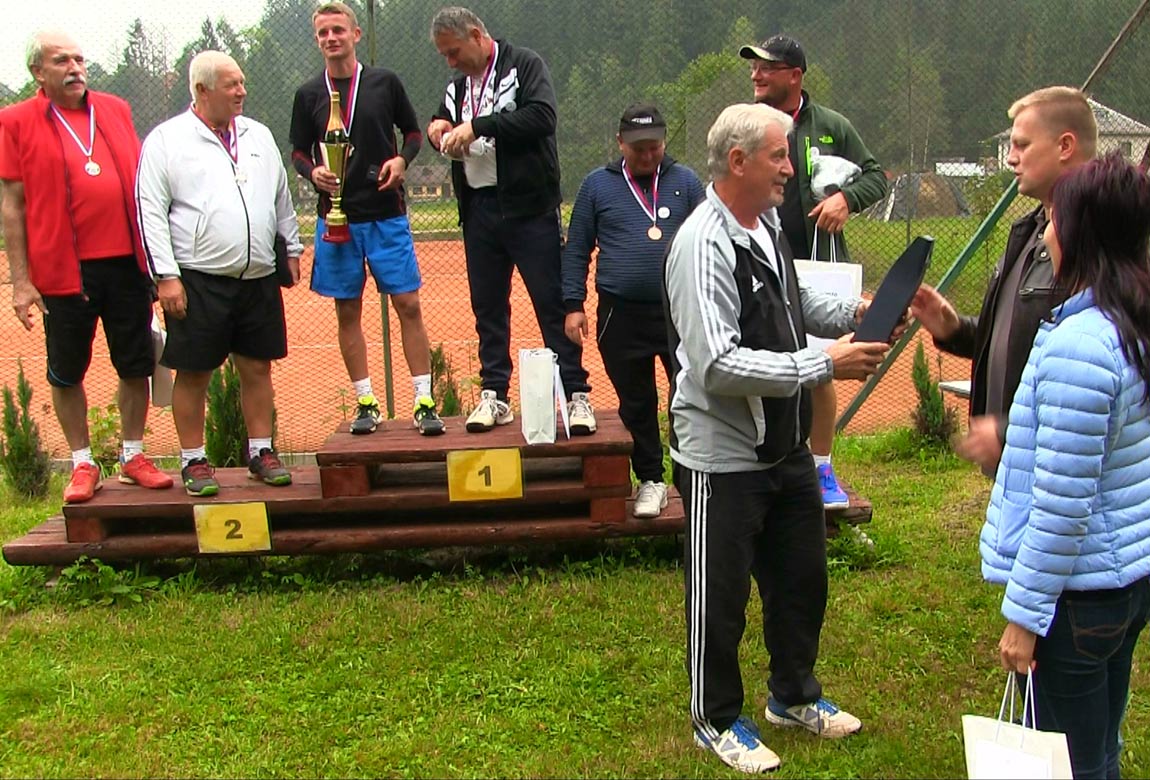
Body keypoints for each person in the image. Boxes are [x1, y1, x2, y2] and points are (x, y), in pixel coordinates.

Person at [664, 103, 890, 773]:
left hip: (786, 450)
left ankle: (792, 697)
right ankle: (715, 719)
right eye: (779, 156)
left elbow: (791, 302)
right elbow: (716, 364)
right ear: (738, 162)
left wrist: (857, 311)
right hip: (722, 460)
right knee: (720, 599)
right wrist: (826, 363)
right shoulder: (702, 244)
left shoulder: (761, 225)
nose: (793, 170)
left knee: (802, 581)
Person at [983, 152, 1150, 780]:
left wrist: (1026, 619)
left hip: (1078, 603)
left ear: (1080, 232)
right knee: (1099, 745)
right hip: (1125, 582)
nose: (1044, 229)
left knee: (1071, 764)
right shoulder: (1130, 321)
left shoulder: (1080, 348)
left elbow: (1061, 505)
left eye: (1054, 216)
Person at [0, 30, 172, 504]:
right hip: (63, 271)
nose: (75, 67)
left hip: (126, 265)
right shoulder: (14, 121)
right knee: (67, 370)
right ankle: (82, 463)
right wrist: (21, 281)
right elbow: (12, 204)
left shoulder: (114, 109)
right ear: (38, 72)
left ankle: (132, 456)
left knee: (135, 362)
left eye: (79, 58)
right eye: (62, 61)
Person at [136, 51, 303, 497]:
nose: (242, 91)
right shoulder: (166, 141)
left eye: (242, 82)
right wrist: (166, 276)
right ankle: (193, 460)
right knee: (193, 374)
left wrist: (291, 246)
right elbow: (150, 211)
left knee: (257, 367)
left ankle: (261, 453)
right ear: (202, 90)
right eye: (231, 85)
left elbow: (281, 196)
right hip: (197, 279)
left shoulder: (259, 135)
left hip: (258, 276)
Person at [427, 6, 596, 435]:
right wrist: (438, 128)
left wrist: (479, 126)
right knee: (487, 306)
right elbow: (442, 116)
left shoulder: (524, 65)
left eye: (453, 51)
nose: (450, 61)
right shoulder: (458, 84)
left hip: (529, 209)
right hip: (479, 209)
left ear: (477, 35)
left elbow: (542, 117)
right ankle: (495, 395)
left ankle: (577, 396)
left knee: (551, 302)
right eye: (444, 55)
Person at [912, 86, 1097, 476]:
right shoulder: (1029, 231)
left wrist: (1012, 432)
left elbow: (1091, 377)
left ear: (1065, 146)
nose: (1010, 158)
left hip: (1060, 470)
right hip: (1017, 467)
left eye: (1022, 145)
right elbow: (1022, 339)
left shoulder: (1100, 242)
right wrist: (956, 329)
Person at [740, 35, 887, 509]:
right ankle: (767, 459)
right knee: (765, 361)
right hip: (762, 261)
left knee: (823, 367)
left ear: (795, 76)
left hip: (820, 265)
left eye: (768, 68)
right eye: (755, 69)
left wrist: (847, 199)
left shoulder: (831, 125)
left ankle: (821, 468)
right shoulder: (751, 124)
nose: (757, 75)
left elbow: (875, 176)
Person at [290, 1, 444, 437]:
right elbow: (299, 151)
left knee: (408, 305)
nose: (331, 38)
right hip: (336, 218)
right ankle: (366, 401)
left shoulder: (384, 83)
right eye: (323, 33)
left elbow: (414, 134)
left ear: (356, 35)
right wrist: (311, 172)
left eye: (338, 29)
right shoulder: (308, 94)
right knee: (347, 310)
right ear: (317, 40)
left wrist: (402, 161)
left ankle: (424, 401)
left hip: (385, 214)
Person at [562, 104, 704, 518]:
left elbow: (709, 241)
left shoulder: (686, 181)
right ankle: (651, 480)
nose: (647, 155)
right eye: (639, 148)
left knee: (689, 398)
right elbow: (576, 250)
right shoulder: (596, 186)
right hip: (619, 315)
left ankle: (692, 480)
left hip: (680, 312)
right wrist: (574, 305)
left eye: (655, 147)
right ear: (620, 143)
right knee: (636, 403)